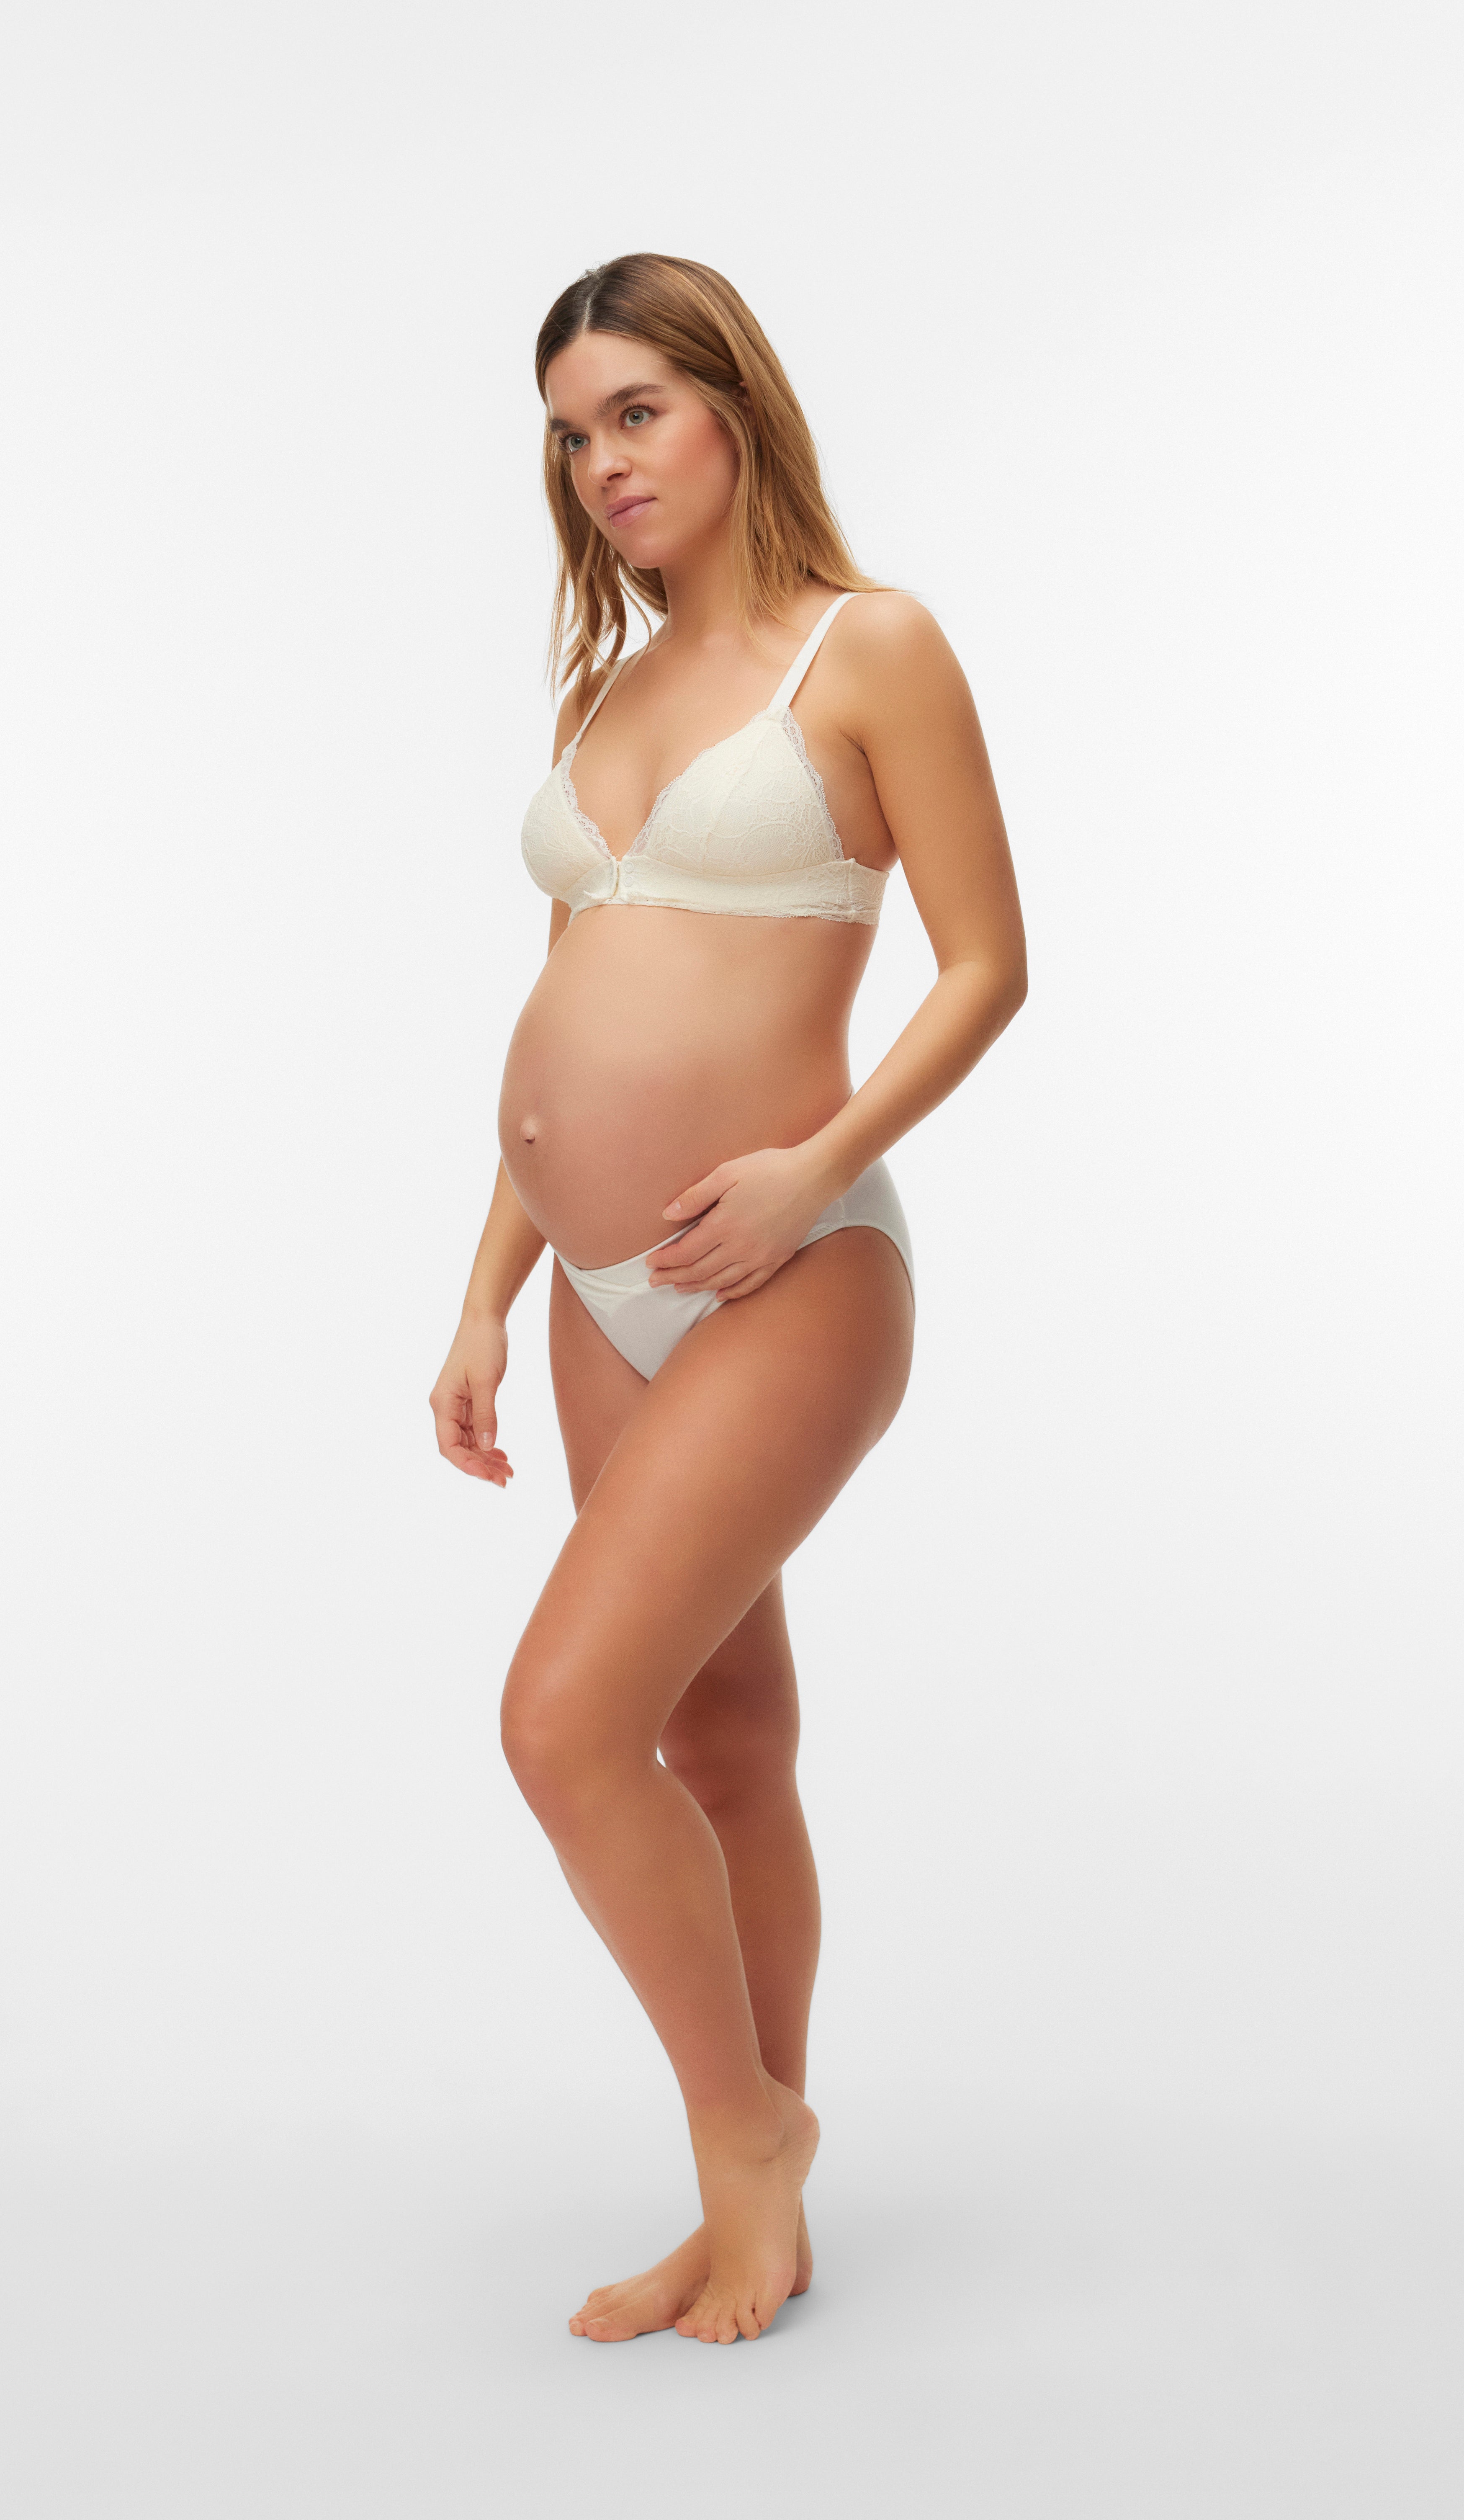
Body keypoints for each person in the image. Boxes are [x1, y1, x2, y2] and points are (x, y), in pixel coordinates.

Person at [429, 253, 1027, 2345]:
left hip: (793, 1262)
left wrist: (810, 1162)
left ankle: (747, 2127)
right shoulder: (602, 696)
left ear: (733, 405)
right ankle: (741, 2192)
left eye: (636, 411)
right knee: (720, 1730)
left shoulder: (872, 647)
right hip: (595, 1289)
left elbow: (986, 964)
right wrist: (487, 1288)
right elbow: (564, 1001)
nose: (601, 462)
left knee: (562, 1719)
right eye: (571, 433)